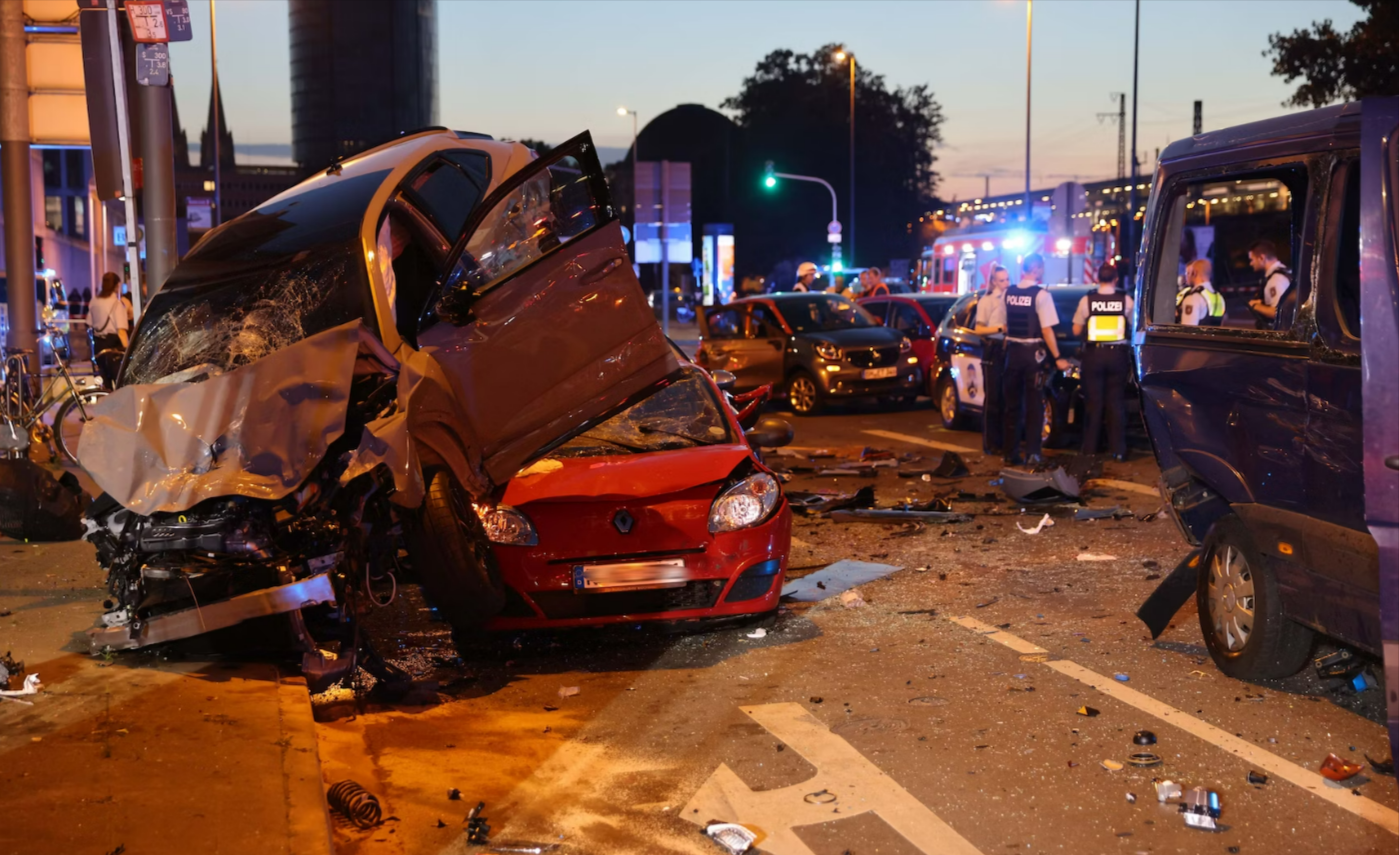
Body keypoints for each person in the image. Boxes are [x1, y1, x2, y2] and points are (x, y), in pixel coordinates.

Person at [1001, 253, 1069, 465]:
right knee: (1034, 406)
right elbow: (1047, 330)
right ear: (1038, 269)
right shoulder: (1041, 295)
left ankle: (1010, 453)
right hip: (1033, 357)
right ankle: (1032, 453)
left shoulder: (1008, 293)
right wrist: (1057, 357)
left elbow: (1005, 326)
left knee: (1012, 406)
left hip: (1012, 354)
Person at [1072, 263, 1134, 460]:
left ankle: (1090, 449)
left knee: (1093, 403)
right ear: (1116, 279)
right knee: (1115, 403)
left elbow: (1075, 330)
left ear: (1098, 278)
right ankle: (1118, 451)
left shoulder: (1087, 300)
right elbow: (1133, 326)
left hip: (1094, 356)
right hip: (1117, 356)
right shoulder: (1126, 300)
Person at [972, 264, 1011, 454]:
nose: (1006, 283)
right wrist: (1000, 329)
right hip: (993, 348)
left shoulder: (1011, 298)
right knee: (993, 399)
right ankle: (990, 444)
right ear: (994, 281)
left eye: (1008, 279)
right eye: (1002, 280)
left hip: (1008, 348)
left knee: (1006, 398)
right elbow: (979, 329)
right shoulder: (986, 302)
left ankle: (1005, 442)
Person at [88, 272, 128, 389]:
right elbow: (121, 331)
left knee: (103, 383)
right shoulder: (116, 304)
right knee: (120, 382)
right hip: (113, 347)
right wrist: (128, 350)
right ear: (116, 286)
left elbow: (89, 323)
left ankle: (105, 405)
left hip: (98, 346)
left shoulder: (94, 301)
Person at [1246, 239, 1291, 329]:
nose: (1251, 264)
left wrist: (1255, 306)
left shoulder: (1276, 280)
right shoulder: (1285, 272)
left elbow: (1278, 312)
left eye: (1252, 260)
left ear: (1262, 258)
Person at [1175, 259, 1224, 326]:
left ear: (1194, 273)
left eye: (1189, 273)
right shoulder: (1219, 298)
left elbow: (1187, 331)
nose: (1187, 276)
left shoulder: (1193, 298)